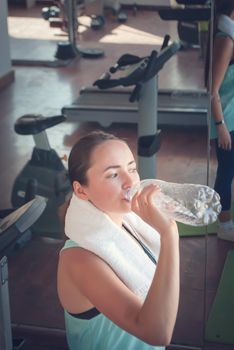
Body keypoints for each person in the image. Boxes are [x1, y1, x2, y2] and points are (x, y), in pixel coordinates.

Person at [57, 131, 180, 350]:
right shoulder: (79, 259)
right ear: (81, 191)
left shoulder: (129, 224)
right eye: (113, 175)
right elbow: (157, 332)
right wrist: (169, 234)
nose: (130, 181)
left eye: (132, 169)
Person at [205, 0, 234, 241]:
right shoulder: (226, 40)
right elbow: (212, 91)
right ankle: (224, 227)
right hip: (228, 122)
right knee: (226, 172)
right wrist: (220, 126)